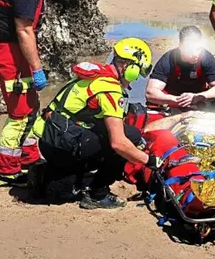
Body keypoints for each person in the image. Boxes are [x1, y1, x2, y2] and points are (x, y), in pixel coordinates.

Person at [31, 38, 155, 209]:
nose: (134, 81)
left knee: (123, 134)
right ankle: (97, 194)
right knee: (129, 138)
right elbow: (119, 143)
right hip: (61, 146)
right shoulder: (110, 90)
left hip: (50, 139)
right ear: (129, 67)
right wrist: (148, 160)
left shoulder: (97, 76)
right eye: (137, 73)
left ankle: (68, 175)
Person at [0, 0, 67, 187]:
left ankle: (29, 158)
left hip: (10, 50)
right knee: (20, 114)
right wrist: (37, 68)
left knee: (31, 108)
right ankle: (7, 171)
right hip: (11, 54)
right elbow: (24, 30)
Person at [145, 26, 215, 112]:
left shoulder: (206, 58)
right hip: (173, 101)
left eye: (198, 49)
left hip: (198, 101)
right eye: (190, 50)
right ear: (181, 46)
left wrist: (196, 97)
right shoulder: (168, 60)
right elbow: (150, 93)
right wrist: (178, 100)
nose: (195, 54)